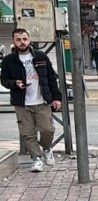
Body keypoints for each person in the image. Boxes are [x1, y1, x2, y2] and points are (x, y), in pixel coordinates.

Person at [1, 28, 62, 172]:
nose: (22, 42)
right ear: (14, 42)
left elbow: (51, 78)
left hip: (42, 101)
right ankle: (36, 159)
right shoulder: (9, 60)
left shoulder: (41, 56)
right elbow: (4, 80)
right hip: (22, 103)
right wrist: (14, 83)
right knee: (28, 133)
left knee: (47, 129)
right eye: (18, 40)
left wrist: (57, 98)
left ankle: (47, 148)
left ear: (29, 40)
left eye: (24, 39)